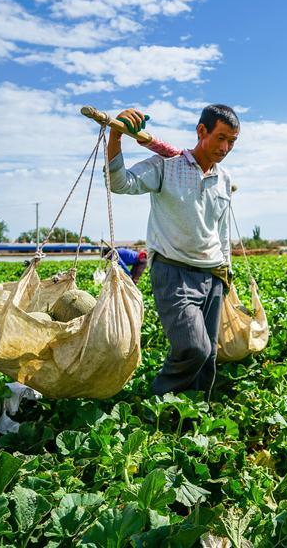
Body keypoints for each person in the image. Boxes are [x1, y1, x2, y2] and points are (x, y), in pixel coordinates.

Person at [106, 104, 239, 399]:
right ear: (201, 131)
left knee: (209, 355)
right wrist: (116, 136)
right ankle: (159, 400)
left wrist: (227, 272)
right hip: (174, 271)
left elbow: (222, 231)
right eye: (220, 138)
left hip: (213, 274)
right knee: (194, 347)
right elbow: (119, 183)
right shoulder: (166, 165)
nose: (225, 148)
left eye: (232, 141)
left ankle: (195, 413)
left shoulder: (224, 179)